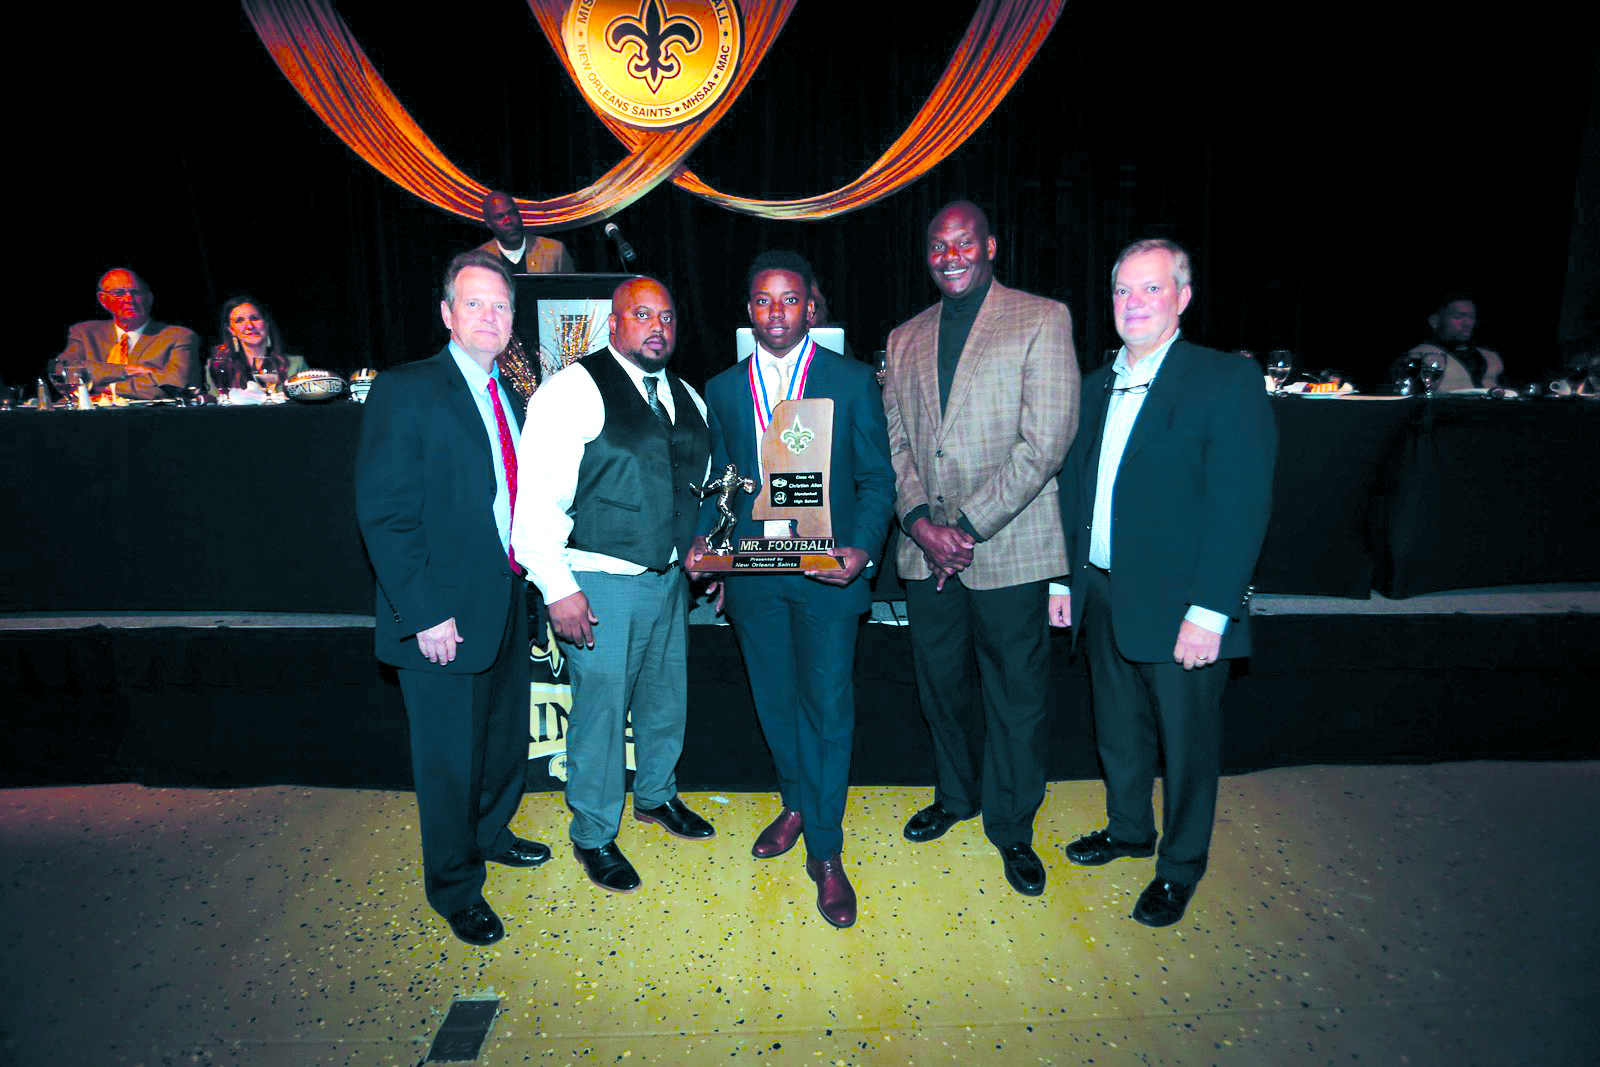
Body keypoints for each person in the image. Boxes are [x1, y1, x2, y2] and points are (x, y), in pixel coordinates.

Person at [1052, 238, 1275, 928]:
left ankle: (1180, 866)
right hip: (1101, 592)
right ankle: (1128, 830)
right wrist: (1064, 580)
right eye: (1123, 290)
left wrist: (1211, 611)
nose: (1134, 302)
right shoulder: (1094, 384)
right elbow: (1074, 492)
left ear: (1183, 297)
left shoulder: (1224, 379)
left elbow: (1242, 506)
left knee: (1186, 746)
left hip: (1183, 606)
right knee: (1117, 729)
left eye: (1152, 288)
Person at [686, 251, 894, 928]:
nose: (777, 313)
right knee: (774, 702)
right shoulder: (723, 388)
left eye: (790, 300)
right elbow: (722, 483)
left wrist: (863, 550)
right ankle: (797, 802)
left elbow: (877, 479)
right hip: (755, 574)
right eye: (763, 300)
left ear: (811, 306)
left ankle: (826, 851)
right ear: (749, 309)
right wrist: (708, 545)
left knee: (827, 708)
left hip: (825, 571)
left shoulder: (851, 379)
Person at [881, 200, 1079, 896]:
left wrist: (965, 526)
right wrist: (919, 523)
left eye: (964, 242)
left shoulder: (1041, 318)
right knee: (940, 687)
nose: (951, 255)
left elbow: (1047, 440)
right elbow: (896, 444)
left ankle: (1013, 824)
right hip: (926, 552)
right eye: (939, 246)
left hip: (1009, 543)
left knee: (1015, 696)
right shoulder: (903, 338)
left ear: (990, 246)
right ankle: (955, 795)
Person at [354, 251, 551, 947]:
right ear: (446, 313)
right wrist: (425, 613)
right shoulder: (406, 390)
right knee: (447, 762)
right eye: (474, 303)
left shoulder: (513, 397)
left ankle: (491, 834)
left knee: (500, 741)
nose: (489, 316)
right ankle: (455, 886)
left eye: (501, 306)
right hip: (441, 614)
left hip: (505, 599)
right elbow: (385, 515)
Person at [512, 276, 715, 895]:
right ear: (613, 323)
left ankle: (656, 795)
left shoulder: (687, 396)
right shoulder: (570, 390)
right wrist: (557, 586)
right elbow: (536, 500)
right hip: (598, 583)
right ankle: (594, 832)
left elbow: (700, 489)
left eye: (667, 317)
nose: (657, 327)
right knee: (600, 716)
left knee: (664, 699)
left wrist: (708, 555)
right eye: (642, 315)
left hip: (670, 580)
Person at [55, 268, 199, 400]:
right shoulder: (85, 332)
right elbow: (63, 373)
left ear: (149, 298)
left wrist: (105, 387)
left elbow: (178, 385)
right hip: (85, 414)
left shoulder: (178, 336)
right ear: (103, 300)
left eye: (136, 293)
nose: (129, 299)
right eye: (119, 293)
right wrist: (124, 370)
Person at [1393, 294, 1504, 391]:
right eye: (1458, 316)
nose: (1468, 323)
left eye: (1472, 317)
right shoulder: (1416, 357)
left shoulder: (1491, 357)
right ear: (1435, 321)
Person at [206, 296, 307, 393]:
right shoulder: (219, 367)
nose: (249, 326)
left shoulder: (296, 365)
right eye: (239, 320)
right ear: (231, 330)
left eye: (254, 318)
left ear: (266, 323)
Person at [478, 190, 575, 274]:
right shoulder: (479, 260)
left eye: (512, 213)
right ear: (488, 223)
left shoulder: (555, 251)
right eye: (500, 217)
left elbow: (571, 288)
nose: (508, 221)